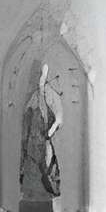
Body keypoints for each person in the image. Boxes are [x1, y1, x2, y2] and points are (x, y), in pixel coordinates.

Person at [19, 63, 62, 204]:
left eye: (43, 74)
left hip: (44, 140)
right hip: (33, 142)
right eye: (39, 74)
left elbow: (58, 118)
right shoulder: (33, 97)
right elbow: (27, 118)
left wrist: (49, 132)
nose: (40, 78)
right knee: (32, 174)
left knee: (47, 170)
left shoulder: (52, 95)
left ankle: (48, 198)